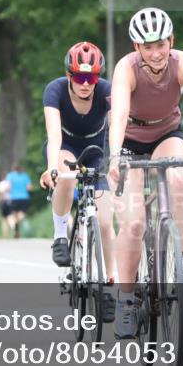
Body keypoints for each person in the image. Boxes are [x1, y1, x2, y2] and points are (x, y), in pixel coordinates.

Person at [106, 7, 183, 339]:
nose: (156, 53)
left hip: (167, 134)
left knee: (180, 179)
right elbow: (120, 113)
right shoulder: (125, 69)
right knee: (134, 221)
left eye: (161, 44)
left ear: (171, 41)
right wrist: (115, 157)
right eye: (147, 46)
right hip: (128, 139)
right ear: (136, 47)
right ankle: (127, 300)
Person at [39, 41, 116, 321]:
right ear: (69, 76)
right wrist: (52, 168)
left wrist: (118, 161)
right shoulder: (55, 90)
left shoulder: (107, 92)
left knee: (106, 225)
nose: (86, 84)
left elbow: (117, 129)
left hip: (96, 150)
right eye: (80, 77)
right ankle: (60, 235)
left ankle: (108, 287)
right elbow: (53, 134)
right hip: (66, 145)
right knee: (67, 179)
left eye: (92, 78)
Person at [4, 164, 32, 239]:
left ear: (13, 169)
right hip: (24, 198)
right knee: (22, 215)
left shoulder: (10, 176)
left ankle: (15, 227)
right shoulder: (25, 176)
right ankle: (16, 226)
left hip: (14, 198)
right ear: (21, 169)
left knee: (14, 215)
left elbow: (9, 187)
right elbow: (29, 188)